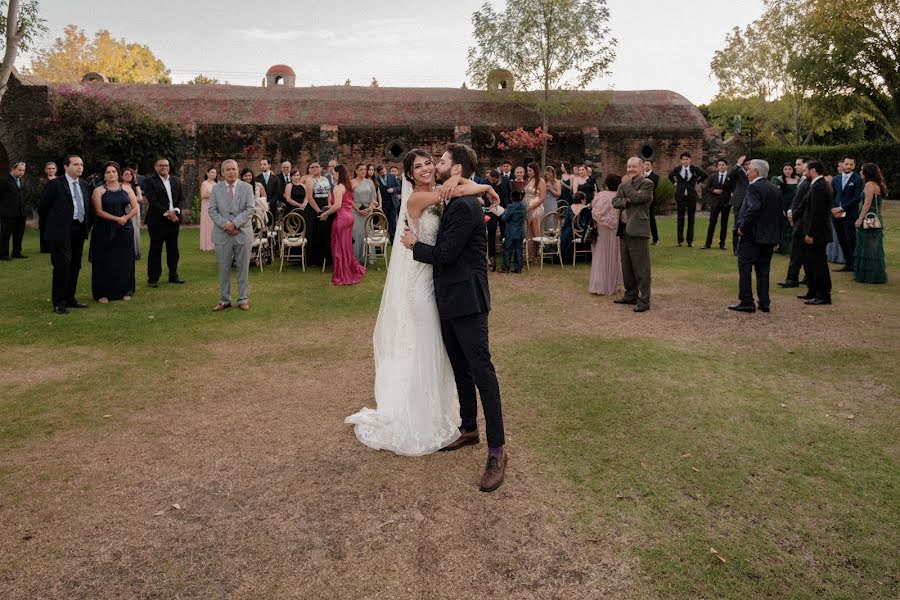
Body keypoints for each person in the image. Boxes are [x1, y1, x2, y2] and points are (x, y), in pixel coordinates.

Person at [346, 148, 497, 458]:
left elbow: (459, 189)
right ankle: (420, 419)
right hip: (422, 281)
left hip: (441, 280)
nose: (428, 168)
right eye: (420, 166)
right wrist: (483, 187)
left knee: (441, 352)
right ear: (410, 174)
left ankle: (450, 416)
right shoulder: (418, 198)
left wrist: (477, 187)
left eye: (432, 162)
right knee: (426, 346)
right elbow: (455, 190)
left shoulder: (446, 194)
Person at [401, 143, 508, 492]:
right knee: (460, 369)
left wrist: (413, 245)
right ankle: (468, 428)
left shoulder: (464, 207)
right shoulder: (451, 198)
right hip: (445, 299)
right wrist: (489, 188)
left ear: (456, 168)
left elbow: (445, 254)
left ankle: (497, 451)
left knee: (482, 373)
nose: (436, 165)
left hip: (467, 300)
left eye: (442, 161)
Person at [38, 155, 92, 314]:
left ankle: (70, 298)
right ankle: (59, 301)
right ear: (66, 167)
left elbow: (87, 206)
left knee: (75, 265)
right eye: (76, 164)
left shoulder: (84, 184)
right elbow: (44, 207)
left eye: (81, 164)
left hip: (79, 228)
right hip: (61, 230)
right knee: (62, 266)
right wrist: (53, 226)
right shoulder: (55, 184)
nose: (80, 167)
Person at [729, 160, 782, 313]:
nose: (747, 172)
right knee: (763, 270)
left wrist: (742, 228)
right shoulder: (775, 189)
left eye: (750, 170)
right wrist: (776, 238)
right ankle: (764, 302)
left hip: (752, 236)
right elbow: (779, 215)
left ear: (756, 172)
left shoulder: (753, 187)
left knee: (745, 268)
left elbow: (753, 209)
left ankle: (746, 301)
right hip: (769, 238)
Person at [208, 159, 255, 311]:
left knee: (243, 269)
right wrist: (226, 225)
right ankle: (224, 299)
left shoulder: (247, 188)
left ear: (238, 170)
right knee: (223, 268)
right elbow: (212, 210)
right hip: (222, 235)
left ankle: (243, 299)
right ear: (222, 172)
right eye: (227, 169)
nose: (231, 172)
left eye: (234, 169)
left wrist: (235, 223)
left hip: (242, 233)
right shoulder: (216, 189)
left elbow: (250, 209)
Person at [89, 162, 138, 303]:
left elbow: (135, 208)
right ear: (104, 175)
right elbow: (98, 211)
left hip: (124, 229)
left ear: (118, 174)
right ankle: (102, 293)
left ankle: (125, 290)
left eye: (114, 172)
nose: (111, 174)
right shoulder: (98, 191)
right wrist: (117, 219)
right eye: (108, 172)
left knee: (124, 260)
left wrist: (125, 218)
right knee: (104, 261)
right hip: (104, 229)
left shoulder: (128, 189)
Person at [612, 157, 653, 312]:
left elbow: (639, 198)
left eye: (634, 167)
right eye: (628, 166)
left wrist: (628, 190)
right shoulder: (624, 185)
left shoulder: (647, 184)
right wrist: (627, 200)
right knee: (627, 266)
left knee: (641, 268)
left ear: (641, 167)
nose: (630, 169)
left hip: (638, 230)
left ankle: (644, 300)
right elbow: (615, 202)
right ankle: (630, 295)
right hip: (623, 229)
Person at [319, 164, 366, 285]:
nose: (332, 175)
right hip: (349, 217)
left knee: (338, 248)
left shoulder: (338, 187)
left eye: (334, 173)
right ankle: (349, 272)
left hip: (341, 219)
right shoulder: (348, 185)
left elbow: (337, 205)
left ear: (338, 173)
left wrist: (325, 214)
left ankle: (341, 277)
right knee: (346, 248)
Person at [144, 157, 185, 287]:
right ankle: (153, 278)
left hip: (174, 221)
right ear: (156, 167)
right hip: (157, 221)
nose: (164, 167)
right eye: (161, 165)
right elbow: (153, 201)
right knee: (155, 250)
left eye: (166, 165)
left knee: (173, 250)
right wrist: (168, 214)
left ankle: (173, 275)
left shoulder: (176, 180)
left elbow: (181, 199)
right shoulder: (150, 181)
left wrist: (176, 211)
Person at [798, 159, 833, 305]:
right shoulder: (815, 185)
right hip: (811, 230)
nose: (804, 173)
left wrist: (811, 233)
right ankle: (812, 291)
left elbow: (817, 213)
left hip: (817, 233)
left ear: (813, 171)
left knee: (819, 264)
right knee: (810, 263)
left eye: (806, 170)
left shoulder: (820, 186)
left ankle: (823, 295)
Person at [779, 157, 811, 288]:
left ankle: (793, 279)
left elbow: (804, 202)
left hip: (803, 221)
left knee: (797, 250)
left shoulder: (808, 182)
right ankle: (801, 277)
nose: (796, 167)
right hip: (798, 219)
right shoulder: (803, 180)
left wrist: (794, 215)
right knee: (800, 251)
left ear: (806, 165)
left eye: (798, 164)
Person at [853, 163, 887, 284]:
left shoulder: (869, 185)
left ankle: (868, 275)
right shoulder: (878, 184)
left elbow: (866, 204)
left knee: (867, 246)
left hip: (868, 218)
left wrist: (859, 219)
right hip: (876, 218)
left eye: (862, 171)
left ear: (867, 173)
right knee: (874, 246)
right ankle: (875, 274)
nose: (860, 172)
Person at [589, 175, 623, 295]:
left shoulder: (602, 195)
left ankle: (600, 284)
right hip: (616, 229)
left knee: (601, 254)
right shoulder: (620, 196)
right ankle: (613, 283)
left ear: (607, 184)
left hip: (603, 228)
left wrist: (603, 221)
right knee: (614, 255)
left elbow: (595, 211)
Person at [830, 156, 863, 272]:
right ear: (842, 165)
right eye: (846, 164)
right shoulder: (835, 179)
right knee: (841, 239)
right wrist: (834, 209)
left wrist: (841, 208)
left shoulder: (858, 179)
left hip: (850, 215)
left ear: (854, 166)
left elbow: (857, 198)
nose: (849, 166)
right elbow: (832, 196)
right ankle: (848, 264)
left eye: (851, 164)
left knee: (851, 239)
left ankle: (855, 264)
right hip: (836, 215)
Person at [668, 151, 708, 247]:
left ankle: (690, 241)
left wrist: (697, 181)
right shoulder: (677, 169)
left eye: (687, 159)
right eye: (683, 159)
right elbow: (670, 176)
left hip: (691, 196)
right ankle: (680, 240)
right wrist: (675, 183)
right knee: (680, 218)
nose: (685, 161)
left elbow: (704, 175)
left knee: (691, 219)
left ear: (690, 160)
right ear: (681, 160)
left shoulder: (694, 169)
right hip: (681, 196)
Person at [701, 159, 733, 250]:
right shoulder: (713, 177)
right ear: (717, 167)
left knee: (724, 224)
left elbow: (733, 189)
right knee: (712, 223)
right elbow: (707, 188)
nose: (721, 166)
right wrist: (713, 190)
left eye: (723, 165)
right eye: (719, 165)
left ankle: (722, 244)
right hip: (715, 203)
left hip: (726, 203)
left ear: (726, 166)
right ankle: (707, 244)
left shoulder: (730, 177)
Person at [350, 163, 378, 265]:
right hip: (355, 211)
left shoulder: (369, 182)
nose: (363, 171)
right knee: (357, 233)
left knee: (367, 233)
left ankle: (367, 257)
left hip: (368, 211)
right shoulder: (351, 183)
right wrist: (357, 210)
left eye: (364, 169)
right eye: (361, 169)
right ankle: (356, 258)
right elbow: (349, 199)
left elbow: (373, 198)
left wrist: (369, 208)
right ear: (356, 171)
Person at [0, 161, 28, 261]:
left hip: (21, 213)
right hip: (7, 213)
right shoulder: (4, 180)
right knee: (5, 234)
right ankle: (3, 254)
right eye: (20, 170)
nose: (22, 172)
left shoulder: (22, 181)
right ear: (13, 169)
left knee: (19, 234)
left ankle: (17, 252)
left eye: (23, 170)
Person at [772, 163, 798, 254]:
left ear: (792, 170)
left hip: (794, 205)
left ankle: (792, 247)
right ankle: (782, 247)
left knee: (792, 226)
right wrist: (780, 208)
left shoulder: (798, 179)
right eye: (785, 169)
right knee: (783, 227)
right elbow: (776, 195)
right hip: (782, 205)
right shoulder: (778, 179)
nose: (787, 171)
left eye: (789, 169)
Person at [308, 162, 331, 267]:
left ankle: (327, 258)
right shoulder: (309, 180)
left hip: (326, 205)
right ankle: (316, 260)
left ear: (321, 168)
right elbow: (309, 197)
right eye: (312, 167)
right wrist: (319, 211)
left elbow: (329, 193)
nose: (314, 169)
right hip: (314, 207)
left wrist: (329, 205)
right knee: (316, 232)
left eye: (316, 166)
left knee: (326, 232)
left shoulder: (326, 179)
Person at [523, 162, 546, 261]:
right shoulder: (529, 180)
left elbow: (542, 197)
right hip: (527, 206)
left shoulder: (541, 181)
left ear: (535, 171)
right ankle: (530, 255)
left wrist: (532, 206)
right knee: (528, 232)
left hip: (536, 207)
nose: (528, 173)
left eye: (530, 171)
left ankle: (540, 253)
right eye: (527, 171)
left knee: (536, 231)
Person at [728, 156, 751, 254]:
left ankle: (747, 246)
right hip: (739, 200)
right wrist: (738, 164)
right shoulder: (738, 172)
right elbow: (729, 175)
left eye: (749, 164)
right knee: (737, 223)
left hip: (750, 201)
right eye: (746, 164)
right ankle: (736, 248)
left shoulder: (753, 173)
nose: (748, 166)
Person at [500, 189, 526, 273]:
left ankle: (505, 268)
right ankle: (518, 268)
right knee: (518, 250)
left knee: (507, 250)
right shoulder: (523, 206)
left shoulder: (510, 207)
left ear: (512, 198)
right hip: (520, 231)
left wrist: (504, 213)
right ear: (520, 197)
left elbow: (504, 218)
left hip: (511, 231)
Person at [560, 191, 589, 263]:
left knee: (566, 231)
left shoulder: (570, 208)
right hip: (585, 233)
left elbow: (566, 222)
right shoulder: (587, 208)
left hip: (572, 233)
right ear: (582, 200)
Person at [121, 166, 143, 261]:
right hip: (122, 210)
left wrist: (130, 200)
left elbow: (140, 198)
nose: (128, 176)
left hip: (134, 210)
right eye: (126, 174)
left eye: (130, 174)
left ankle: (134, 252)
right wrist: (133, 199)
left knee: (134, 229)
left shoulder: (135, 186)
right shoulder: (119, 185)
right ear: (121, 176)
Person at [376, 165, 400, 242]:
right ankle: (384, 240)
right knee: (384, 223)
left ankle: (393, 241)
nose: (383, 173)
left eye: (384, 171)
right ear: (379, 173)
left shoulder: (392, 177)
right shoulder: (377, 179)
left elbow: (399, 187)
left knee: (393, 222)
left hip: (392, 203)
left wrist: (393, 189)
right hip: (383, 204)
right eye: (382, 172)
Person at [39, 162, 58, 253]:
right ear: (46, 170)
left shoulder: (59, 180)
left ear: (56, 170)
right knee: (44, 227)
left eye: (53, 168)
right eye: (49, 168)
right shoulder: (42, 181)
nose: (51, 170)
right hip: (45, 208)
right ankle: (45, 248)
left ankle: (55, 246)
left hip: (56, 208)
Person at [199, 166, 217, 251]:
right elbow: (203, 195)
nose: (214, 174)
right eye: (212, 172)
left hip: (215, 206)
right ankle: (206, 245)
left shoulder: (216, 184)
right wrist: (213, 194)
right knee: (207, 224)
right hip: (206, 206)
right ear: (208, 173)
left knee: (214, 225)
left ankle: (214, 244)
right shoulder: (204, 183)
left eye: (215, 173)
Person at [642, 159, 660, 245]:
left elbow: (652, 186)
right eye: (645, 164)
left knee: (652, 220)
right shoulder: (640, 176)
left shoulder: (655, 176)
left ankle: (655, 239)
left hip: (651, 201)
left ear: (651, 166)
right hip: (641, 201)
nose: (646, 166)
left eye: (648, 165)